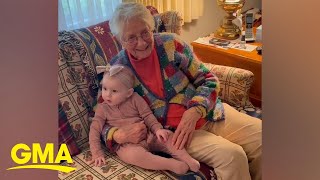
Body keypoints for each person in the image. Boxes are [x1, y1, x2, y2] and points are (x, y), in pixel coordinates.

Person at [101, 2, 262, 180]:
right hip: (177, 135)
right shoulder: (118, 69)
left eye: (145, 32)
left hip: (210, 113)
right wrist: (117, 135)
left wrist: (195, 110)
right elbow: (102, 112)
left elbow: (208, 79)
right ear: (119, 39)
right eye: (131, 38)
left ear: (151, 27)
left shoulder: (171, 45)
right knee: (232, 156)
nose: (141, 42)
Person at [89, 64, 200, 174]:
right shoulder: (102, 108)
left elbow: (147, 115)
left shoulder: (135, 98)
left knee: (168, 136)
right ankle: (170, 164)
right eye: (104, 88)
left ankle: (186, 158)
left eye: (114, 91)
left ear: (128, 93)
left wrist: (157, 129)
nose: (107, 95)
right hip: (127, 144)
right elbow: (95, 130)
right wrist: (97, 153)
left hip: (148, 134)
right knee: (132, 156)